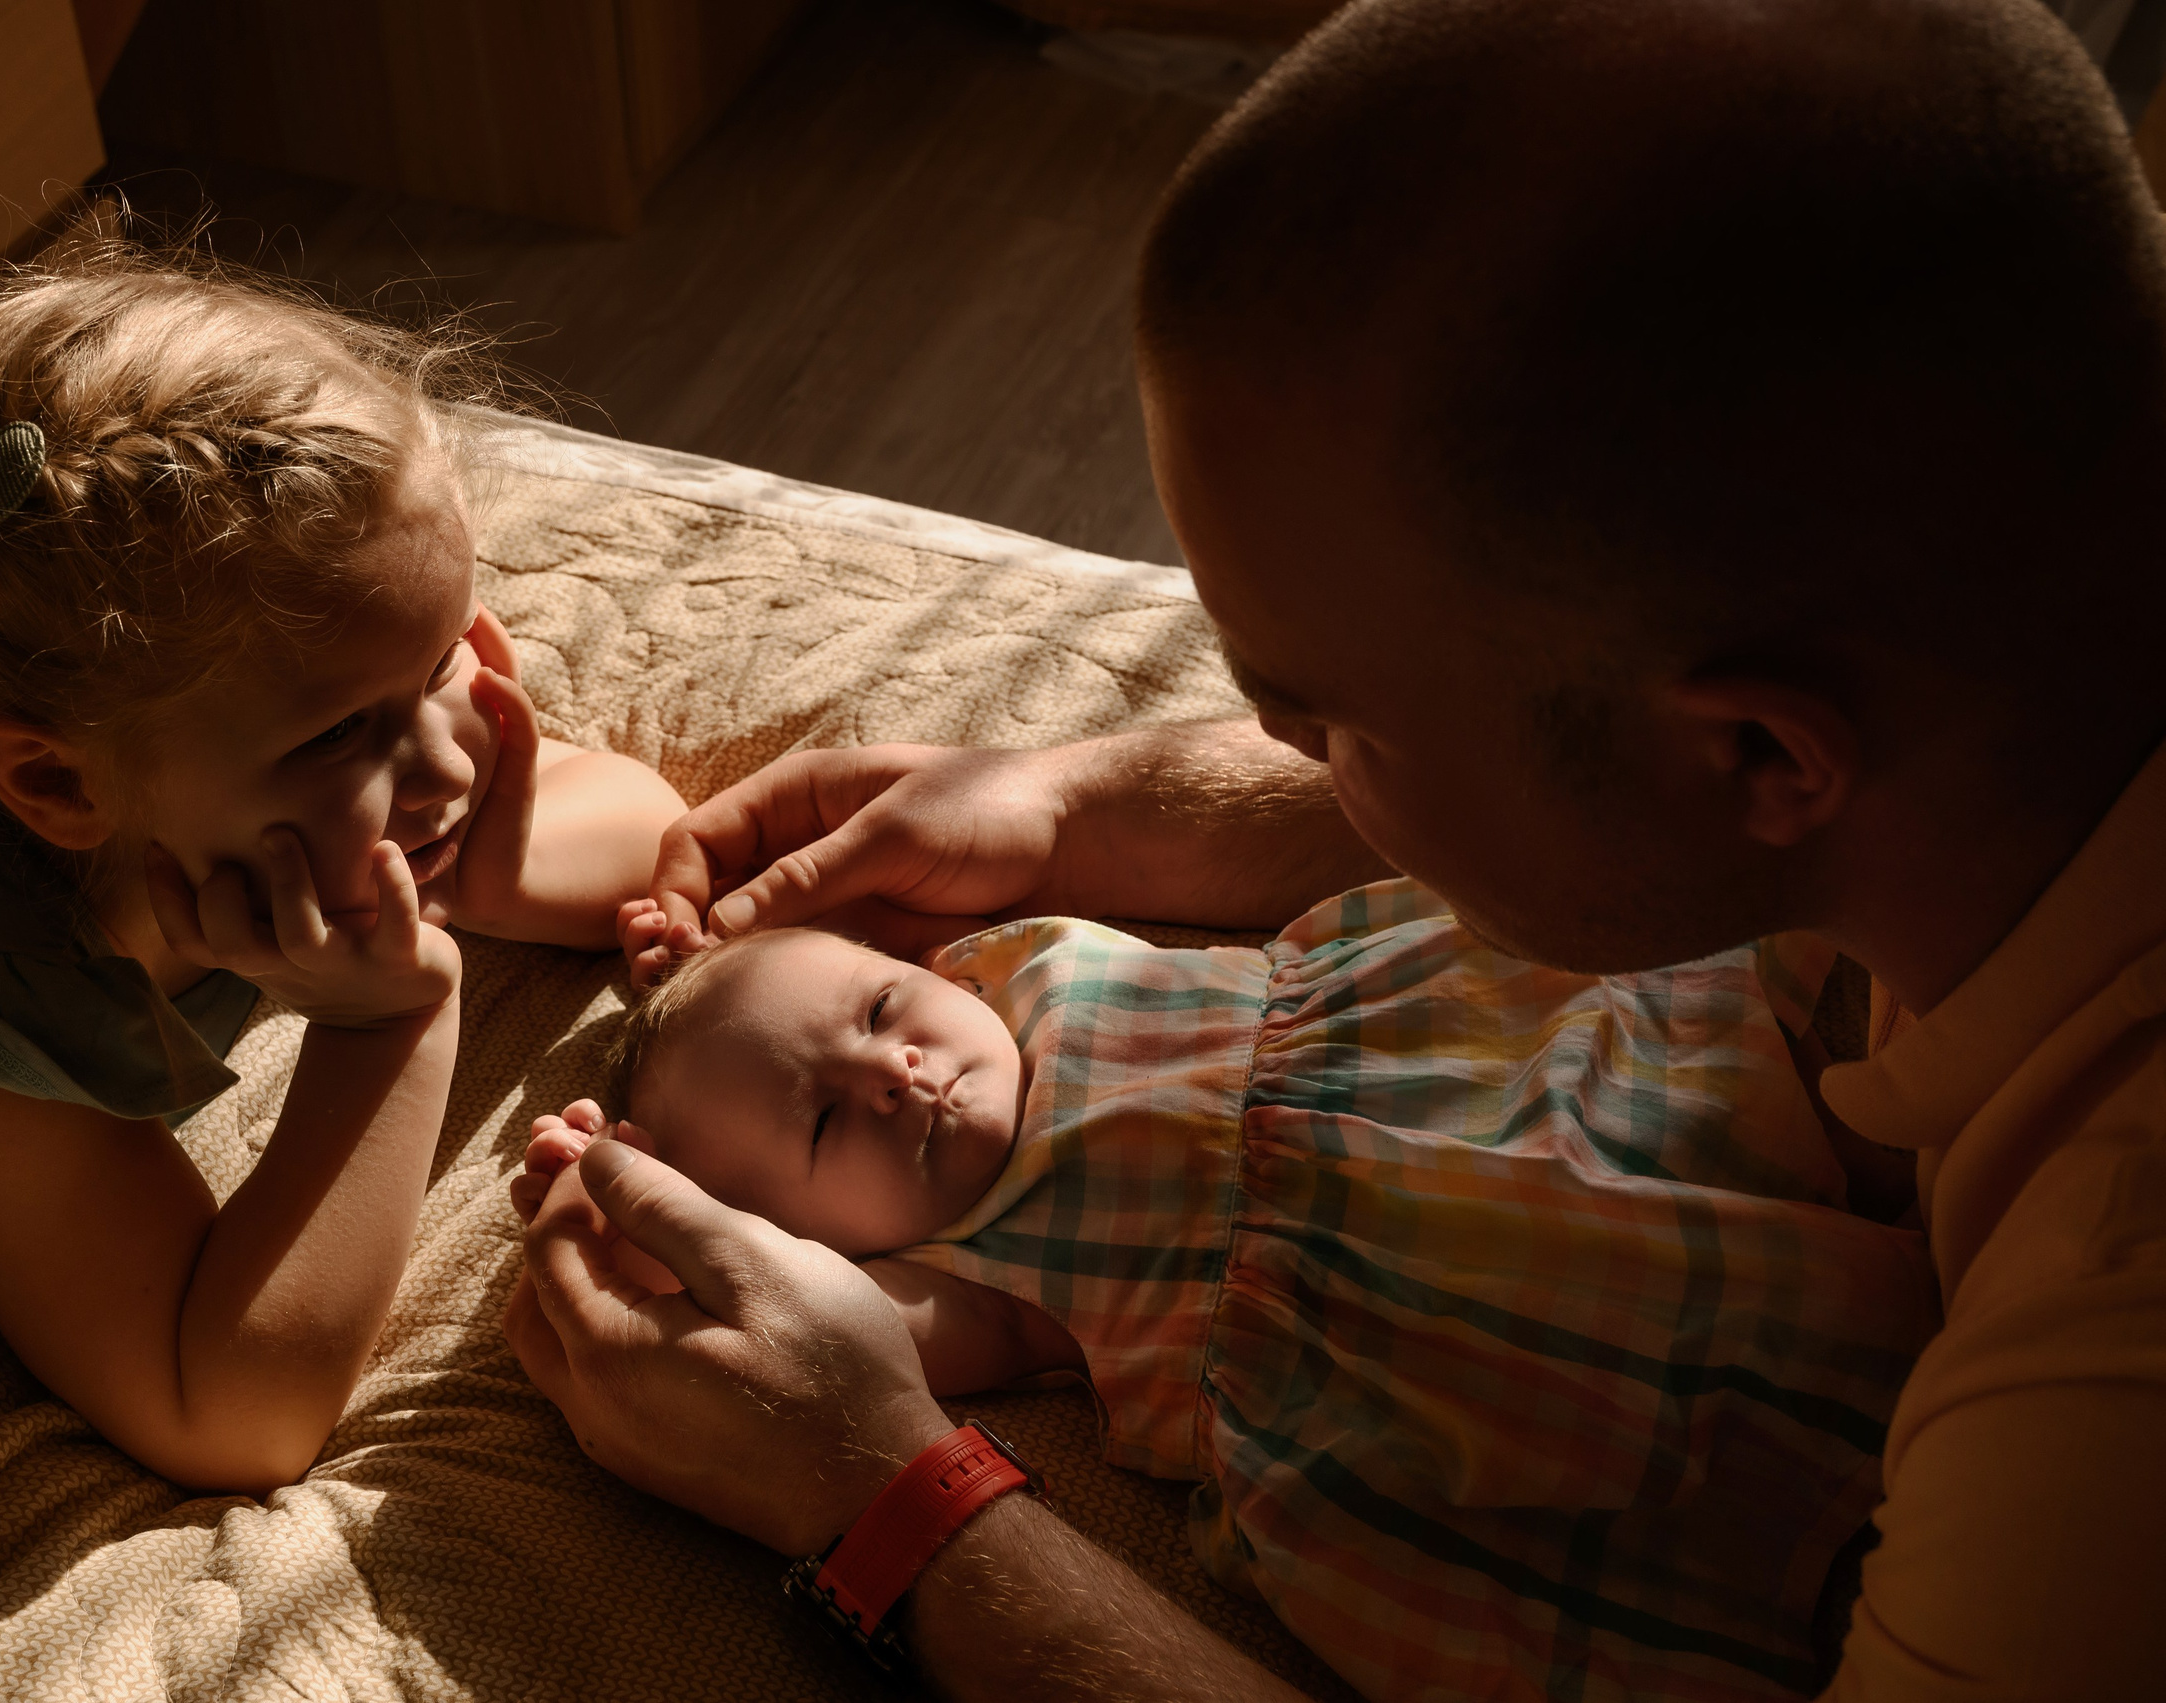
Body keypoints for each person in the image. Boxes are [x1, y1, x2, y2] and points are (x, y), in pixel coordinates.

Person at [506, 0, 2166, 1698]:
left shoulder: (2103, 1420)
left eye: (1340, 725)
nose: (1288, 761)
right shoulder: (2009, 656)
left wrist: (887, 1498)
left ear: (1758, 752)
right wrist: (1071, 806)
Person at [0, 247, 686, 1494]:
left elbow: (650, 832)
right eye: (342, 733)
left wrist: (479, 873)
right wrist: (388, 1023)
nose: (447, 757)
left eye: (443, 659)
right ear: (58, 787)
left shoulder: (200, 751)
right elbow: (227, 1414)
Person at [520, 909, 1934, 1699]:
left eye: (882, 1007)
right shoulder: (965, 1273)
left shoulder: (1019, 968)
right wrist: (626, 1209)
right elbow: (818, 1332)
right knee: (1638, 1358)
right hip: (1401, 1303)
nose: (893, 1071)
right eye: (827, 1121)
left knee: (1681, 1077)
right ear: (799, 1238)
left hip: (1447, 1056)